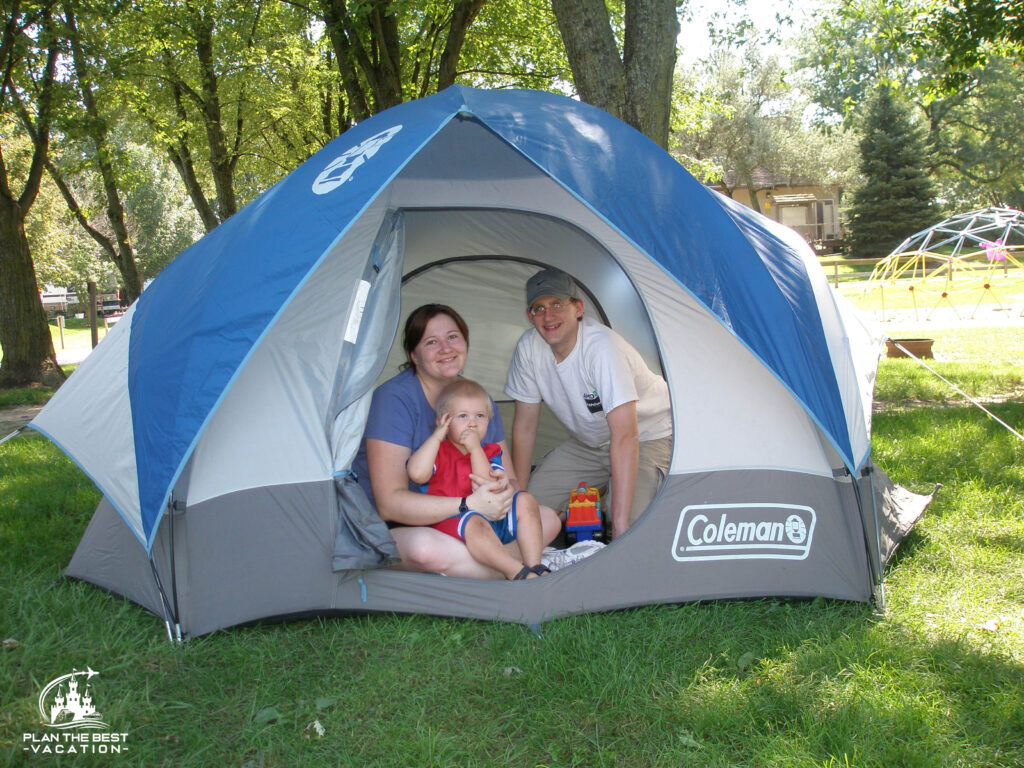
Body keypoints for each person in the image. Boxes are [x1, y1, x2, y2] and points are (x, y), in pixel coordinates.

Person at [352, 303, 561, 577]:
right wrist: (468, 504)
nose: (446, 348)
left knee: (546, 519)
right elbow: (389, 504)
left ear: (465, 342)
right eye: (431, 342)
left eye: (452, 337)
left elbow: (509, 479)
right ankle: (513, 567)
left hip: (472, 518)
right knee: (426, 550)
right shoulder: (394, 399)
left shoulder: (476, 399)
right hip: (401, 526)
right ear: (414, 355)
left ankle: (487, 567)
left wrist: (502, 491)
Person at [505, 268, 673, 539]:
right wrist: (519, 499)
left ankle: (611, 493)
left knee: (627, 526)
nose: (549, 316)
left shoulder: (602, 349)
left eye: (558, 304)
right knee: (530, 511)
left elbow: (626, 435)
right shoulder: (529, 348)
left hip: (646, 436)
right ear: (530, 316)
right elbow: (524, 427)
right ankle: (602, 485)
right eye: (539, 308)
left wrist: (618, 522)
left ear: (578, 308)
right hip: (590, 444)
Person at [407, 378, 548, 580]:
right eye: (463, 416)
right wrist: (437, 437)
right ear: (444, 421)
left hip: (491, 518)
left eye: (480, 416)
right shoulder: (438, 452)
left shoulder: (490, 452)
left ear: (488, 421)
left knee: (526, 499)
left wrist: (474, 449)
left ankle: (535, 566)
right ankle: (515, 571)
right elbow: (416, 473)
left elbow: (485, 486)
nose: (472, 423)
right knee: (473, 520)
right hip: (452, 522)